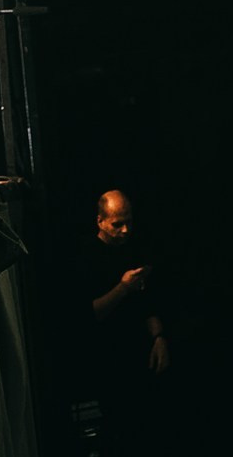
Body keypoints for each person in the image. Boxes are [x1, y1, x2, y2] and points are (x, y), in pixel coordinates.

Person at [81, 189, 170, 450]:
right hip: (107, 358)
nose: (125, 230)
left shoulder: (133, 248)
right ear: (100, 221)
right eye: (117, 224)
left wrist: (159, 338)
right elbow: (90, 313)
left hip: (139, 351)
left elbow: (148, 302)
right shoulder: (87, 256)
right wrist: (123, 287)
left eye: (128, 222)